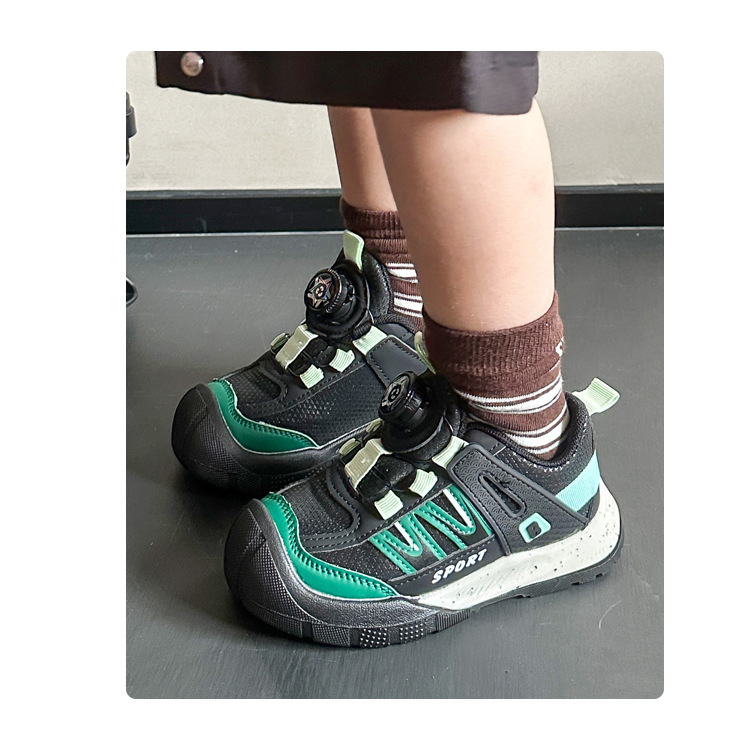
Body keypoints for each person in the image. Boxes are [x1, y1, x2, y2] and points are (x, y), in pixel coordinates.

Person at [161, 52, 622, 647]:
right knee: (361, 48)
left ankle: (522, 437)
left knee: (438, 60)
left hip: (523, 470)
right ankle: (400, 296)